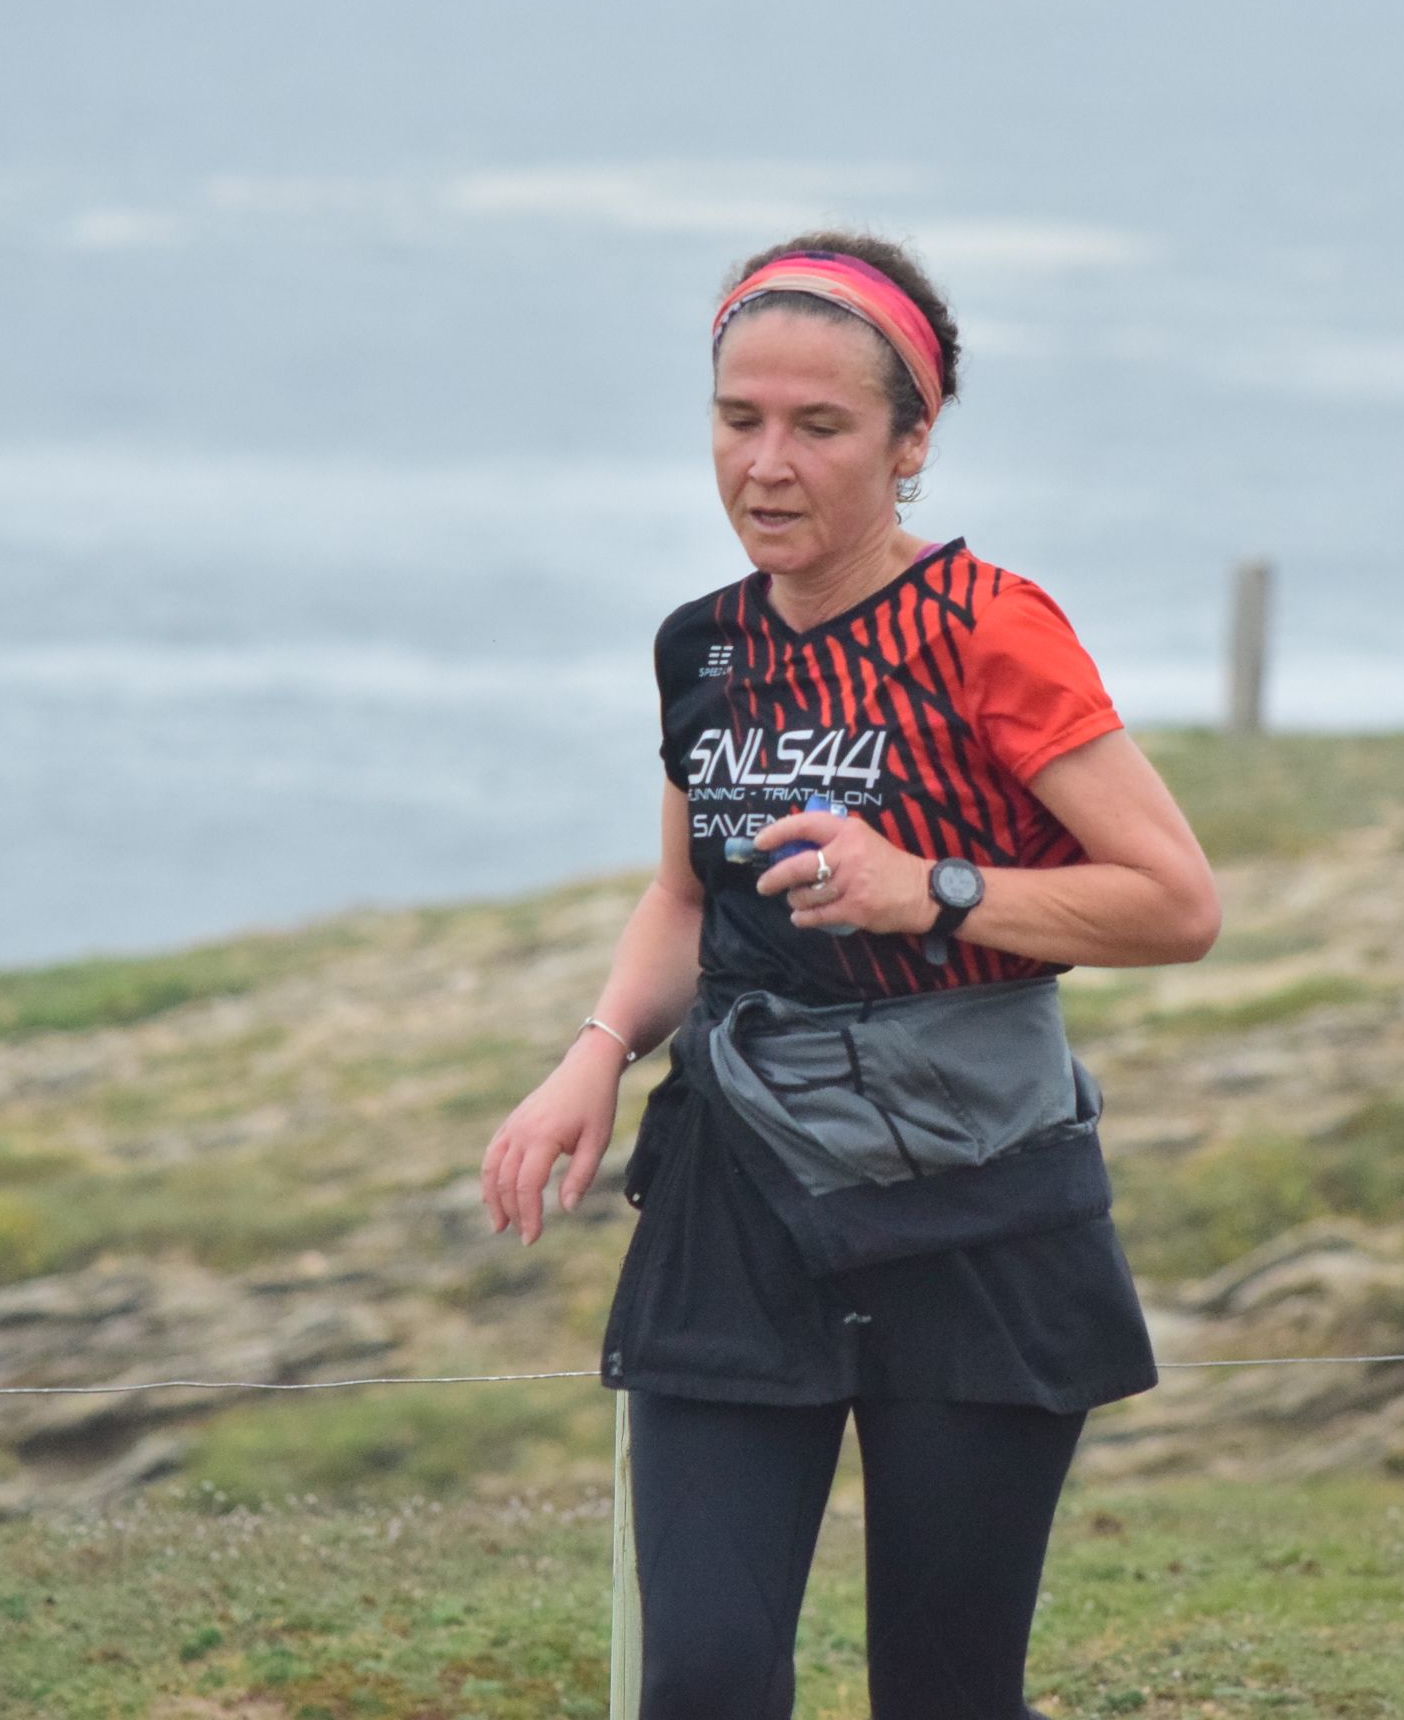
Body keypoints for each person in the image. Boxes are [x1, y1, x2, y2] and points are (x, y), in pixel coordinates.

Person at [479, 230, 1219, 1719]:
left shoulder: (988, 630)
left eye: (819, 426)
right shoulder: (703, 649)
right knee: (702, 1679)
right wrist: (596, 1049)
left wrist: (927, 887)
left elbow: (1175, 904)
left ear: (911, 441)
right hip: (738, 1193)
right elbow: (686, 895)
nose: (767, 465)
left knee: (944, 1696)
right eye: (738, 419)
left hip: (973, 1198)